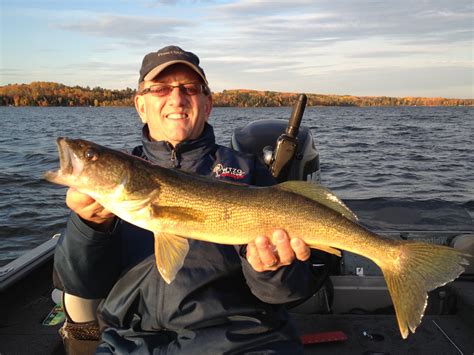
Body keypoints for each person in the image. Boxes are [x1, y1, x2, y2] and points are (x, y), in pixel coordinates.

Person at [54, 45, 323, 354]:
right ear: (140, 105)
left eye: (189, 89)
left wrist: (273, 269)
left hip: (243, 342)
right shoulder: (110, 196)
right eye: (160, 89)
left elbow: (291, 292)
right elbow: (80, 285)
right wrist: (89, 227)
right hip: (130, 344)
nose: (176, 98)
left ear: (207, 104)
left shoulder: (250, 172)